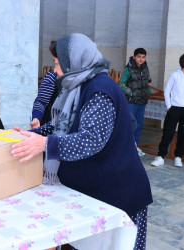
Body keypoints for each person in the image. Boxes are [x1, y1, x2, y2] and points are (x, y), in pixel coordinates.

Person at [11, 34, 152, 250]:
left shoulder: (99, 90)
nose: (55, 71)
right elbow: (63, 126)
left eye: (58, 64)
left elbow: (91, 139)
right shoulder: (77, 86)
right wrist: (35, 135)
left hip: (117, 193)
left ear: (74, 61)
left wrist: (45, 145)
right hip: (93, 189)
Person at [151, 53, 184, 168]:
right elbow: (167, 91)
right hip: (174, 109)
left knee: (183, 135)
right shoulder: (174, 75)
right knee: (168, 133)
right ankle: (161, 156)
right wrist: (169, 106)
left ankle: (178, 157)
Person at [118, 48, 152, 156]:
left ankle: (135, 146)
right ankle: (126, 147)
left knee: (139, 125)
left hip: (142, 101)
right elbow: (121, 84)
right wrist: (130, 92)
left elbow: (149, 81)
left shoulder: (145, 68)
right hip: (131, 102)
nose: (141, 59)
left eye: (143, 57)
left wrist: (148, 91)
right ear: (134, 57)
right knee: (130, 125)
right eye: (139, 57)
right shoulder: (128, 69)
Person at [30, 41, 62, 129]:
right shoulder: (52, 77)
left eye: (57, 63)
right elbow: (41, 101)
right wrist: (36, 118)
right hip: (49, 128)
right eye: (55, 63)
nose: (55, 69)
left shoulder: (81, 81)